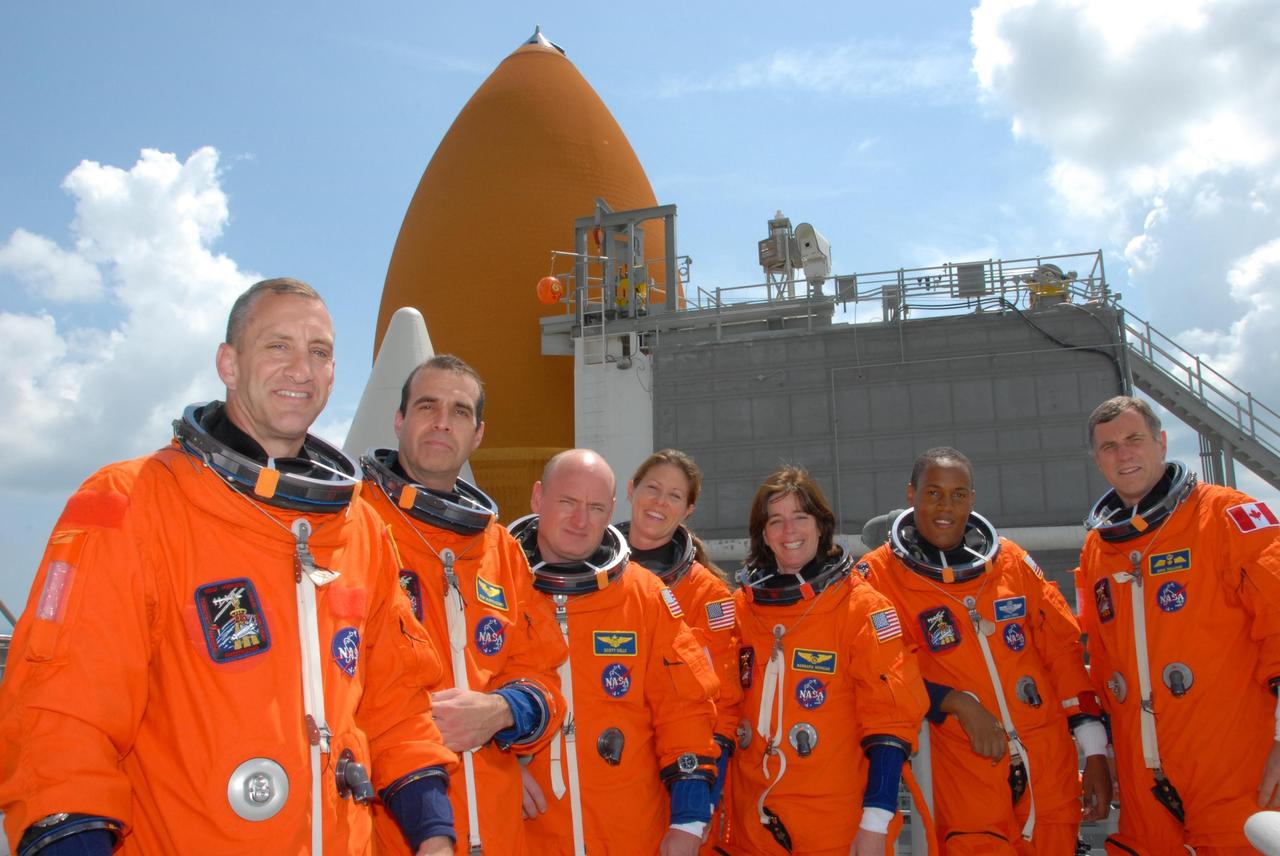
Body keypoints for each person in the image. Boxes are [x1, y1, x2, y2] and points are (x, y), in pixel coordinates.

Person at [0, 278, 457, 855]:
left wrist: (433, 832)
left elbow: (397, 705)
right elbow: (62, 715)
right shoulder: (133, 501)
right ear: (229, 362)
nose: (301, 369)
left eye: (319, 352)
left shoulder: (361, 529)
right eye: (277, 346)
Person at [361, 354, 566, 855]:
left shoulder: (500, 549)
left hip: (496, 827)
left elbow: (543, 675)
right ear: (399, 419)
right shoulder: (352, 528)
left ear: (476, 434)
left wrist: (500, 710)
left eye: (459, 412)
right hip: (388, 828)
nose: (441, 422)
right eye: (427, 406)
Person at [858, 447, 1111, 853]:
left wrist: (1094, 749)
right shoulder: (877, 578)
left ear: (972, 499)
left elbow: (1063, 652)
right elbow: (881, 672)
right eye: (934, 493)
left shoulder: (1010, 562)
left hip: (1048, 767)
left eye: (959, 494)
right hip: (963, 772)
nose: (946, 506)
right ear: (912, 494)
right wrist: (953, 702)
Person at [1079, 395, 1280, 854]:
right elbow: (1101, 657)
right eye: (1109, 446)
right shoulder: (1098, 548)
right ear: (1097, 459)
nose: (1123, 454)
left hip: (1233, 768)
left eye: (1134, 439)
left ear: (1162, 442)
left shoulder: (1228, 517)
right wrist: (1102, 751)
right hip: (1141, 778)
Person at [509, 449, 720, 856]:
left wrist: (690, 822)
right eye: (567, 502)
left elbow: (686, 711)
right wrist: (497, 766)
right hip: (525, 830)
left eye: (595, 507)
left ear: (610, 512)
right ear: (538, 499)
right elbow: (454, 690)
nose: (580, 520)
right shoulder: (494, 587)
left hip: (628, 833)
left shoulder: (645, 595)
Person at [726, 465, 929, 856]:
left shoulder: (861, 607)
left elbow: (891, 720)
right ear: (763, 534)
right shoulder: (741, 611)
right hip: (752, 830)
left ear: (821, 526)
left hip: (839, 832)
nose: (789, 532)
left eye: (800, 518)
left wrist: (874, 824)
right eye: (776, 521)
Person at [618, 450, 744, 848]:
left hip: (675, 780)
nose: (659, 501)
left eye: (674, 496)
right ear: (631, 490)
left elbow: (722, 709)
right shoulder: (585, 570)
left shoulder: (708, 596)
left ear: (688, 509)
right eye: (652, 488)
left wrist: (696, 811)